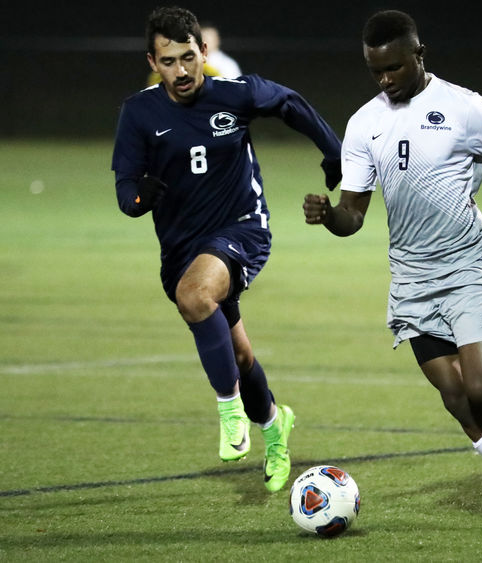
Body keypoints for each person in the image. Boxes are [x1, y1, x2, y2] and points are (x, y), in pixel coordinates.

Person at [303, 10, 482, 528]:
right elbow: (354, 215)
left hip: (470, 268)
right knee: (462, 404)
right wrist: (329, 219)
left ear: (418, 55)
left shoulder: (463, 107)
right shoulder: (364, 123)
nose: (384, 79)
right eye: (375, 71)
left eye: (393, 67)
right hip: (412, 283)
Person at [111, 6, 342, 493]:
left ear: (204, 53)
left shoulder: (234, 94)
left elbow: (290, 103)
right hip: (182, 248)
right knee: (236, 355)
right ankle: (275, 426)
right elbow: (126, 191)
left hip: (242, 229)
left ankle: (229, 409)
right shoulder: (138, 112)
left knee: (195, 296)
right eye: (169, 61)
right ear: (153, 61)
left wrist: (333, 150)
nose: (181, 71)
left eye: (188, 58)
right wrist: (139, 199)